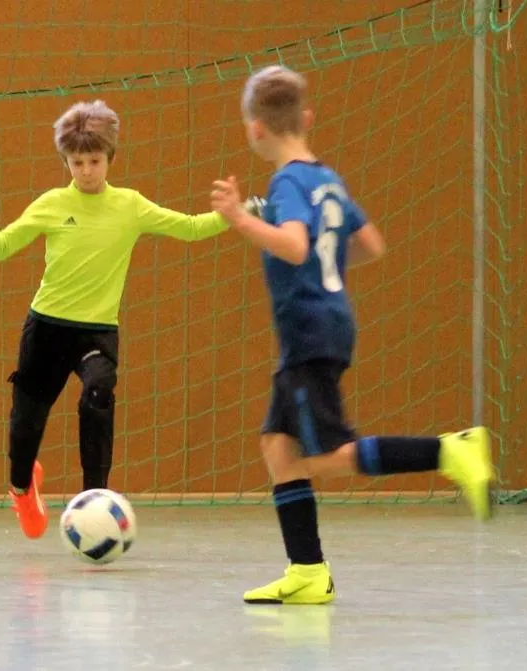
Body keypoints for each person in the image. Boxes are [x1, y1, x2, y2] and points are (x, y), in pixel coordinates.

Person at [209, 66, 496, 605]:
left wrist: (239, 220)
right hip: (329, 322)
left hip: (308, 331)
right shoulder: (327, 180)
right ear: (307, 118)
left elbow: (295, 245)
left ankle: (449, 451)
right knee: (277, 445)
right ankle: (307, 571)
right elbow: (370, 244)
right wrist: (326, 271)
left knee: (325, 455)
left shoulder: (287, 182)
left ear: (255, 129)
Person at [0, 99, 248, 540]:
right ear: (66, 162)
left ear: (110, 158)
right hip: (46, 329)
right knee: (26, 422)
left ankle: (94, 499)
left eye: (94, 161)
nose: (86, 171)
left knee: (98, 393)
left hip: (96, 332)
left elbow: (191, 227)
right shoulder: (52, 204)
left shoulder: (129, 206)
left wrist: (231, 215)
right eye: (77, 162)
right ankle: (22, 487)